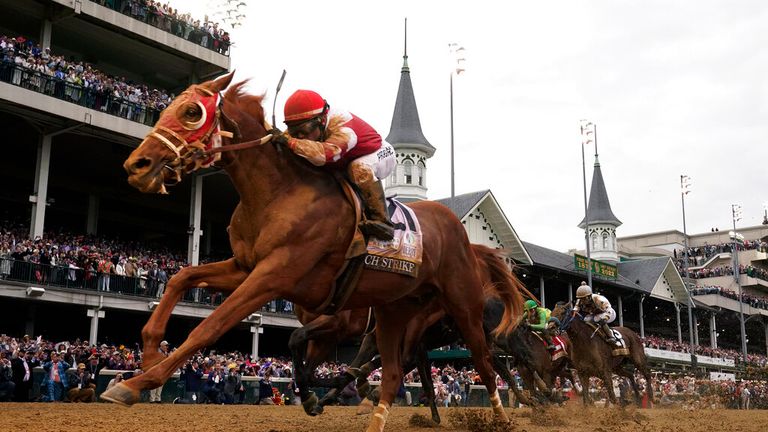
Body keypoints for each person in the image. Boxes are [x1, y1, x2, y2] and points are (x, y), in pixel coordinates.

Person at [272, 89, 396, 241]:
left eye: (304, 130)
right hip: (345, 158)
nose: (300, 136)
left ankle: (383, 222)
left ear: (322, 121)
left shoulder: (344, 126)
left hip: (379, 153)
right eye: (294, 131)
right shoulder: (312, 123)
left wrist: (289, 141)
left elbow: (324, 155)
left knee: (359, 168)